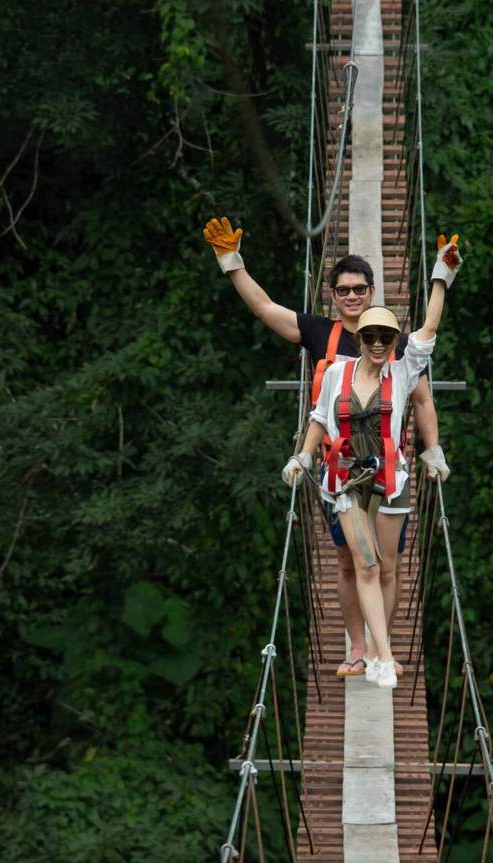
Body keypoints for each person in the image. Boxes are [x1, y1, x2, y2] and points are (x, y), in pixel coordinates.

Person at [203, 217, 451, 678]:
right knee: (350, 561)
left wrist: (432, 449)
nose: (352, 296)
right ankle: (358, 647)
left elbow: (421, 397)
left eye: (359, 289)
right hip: (338, 471)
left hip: (388, 470)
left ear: (372, 293)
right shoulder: (321, 336)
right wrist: (231, 261)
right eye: (343, 290)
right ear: (332, 296)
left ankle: (381, 647)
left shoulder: (393, 342)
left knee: (387, 565)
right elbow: (265, 309)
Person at [282, 234, 461, 688]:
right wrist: (303, 456)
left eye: (386, 337)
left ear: (394, 340)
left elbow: (429, 330)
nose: (378, 343)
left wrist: (441, 277)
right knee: (365, 565)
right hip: (345, 483)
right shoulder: (337, 372)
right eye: (371, 336)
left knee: (386, 565)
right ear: (359, 338)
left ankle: (382, 653)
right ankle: (380, 656)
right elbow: (320, 417)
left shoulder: (402, 371)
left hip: (389, 481)